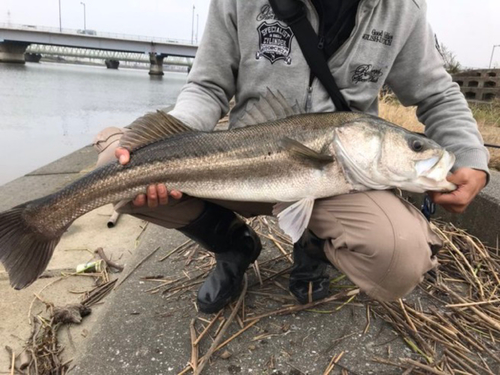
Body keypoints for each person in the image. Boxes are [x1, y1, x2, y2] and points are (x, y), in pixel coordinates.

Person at [94, 0, 489, 313]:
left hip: (341, 177)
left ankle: (315, 244)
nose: (421, 153)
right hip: (240, 160)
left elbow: (437, 94)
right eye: (416, 147)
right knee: (114, 170)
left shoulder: (403, 8)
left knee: (400, 260)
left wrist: (471, 157)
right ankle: (232, 243)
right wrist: (173, 141)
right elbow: (207, 85)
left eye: (415, 147)